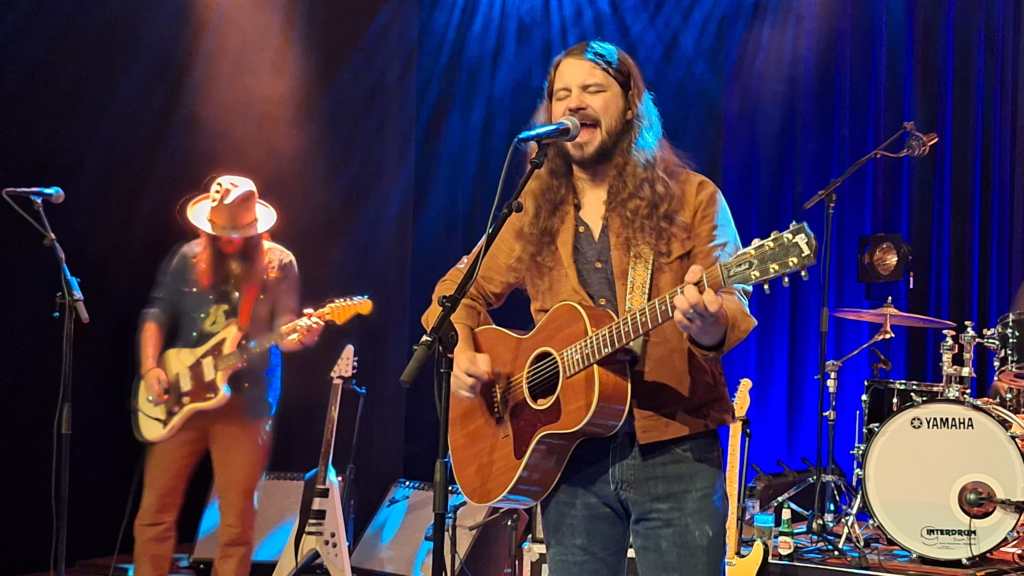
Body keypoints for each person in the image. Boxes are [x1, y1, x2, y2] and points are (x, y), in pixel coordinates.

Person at [422, 41, 756, 575]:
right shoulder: (533, 207)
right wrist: (463, 349)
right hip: (567, 454)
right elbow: (455, 295)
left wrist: (710, 325)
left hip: (673, 446)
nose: (574, 105)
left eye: (593, 90)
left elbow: (733, 303)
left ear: (629, 106)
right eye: (562, 94)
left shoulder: (692, 197)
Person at [133, 175, 323, 575]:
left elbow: (285, 331)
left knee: (236, 522)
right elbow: (156, 312)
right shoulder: (186, 258)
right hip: (178, 396)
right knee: (154, 513)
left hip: (246, 404)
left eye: (239, 233)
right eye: (222, 233)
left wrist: (304, 335)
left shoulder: (278, 263)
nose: (230, 241)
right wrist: (150, 367)